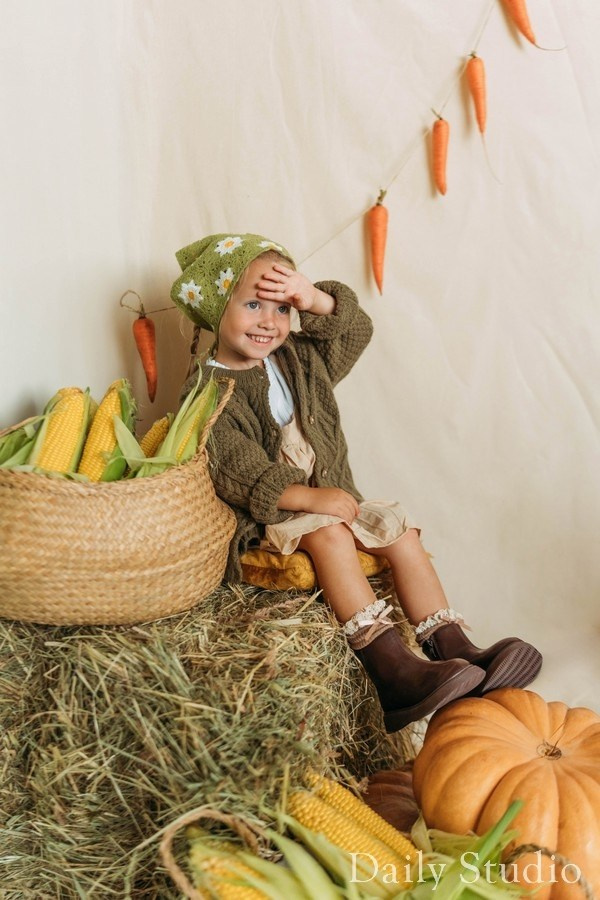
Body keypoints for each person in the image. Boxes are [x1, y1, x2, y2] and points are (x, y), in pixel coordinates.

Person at [171, 233, 542, 732]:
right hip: (273, 512)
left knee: (400, 530)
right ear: (215, 310)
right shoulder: (208, 388)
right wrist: (306, 496)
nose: (268, 321)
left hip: (334, 494)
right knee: (329, 534)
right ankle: (391, 668)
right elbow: (235, 467)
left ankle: (452, 644)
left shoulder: (298, 359)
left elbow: (354, 332)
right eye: (253, 304)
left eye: (283, 308)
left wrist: (316, 299)